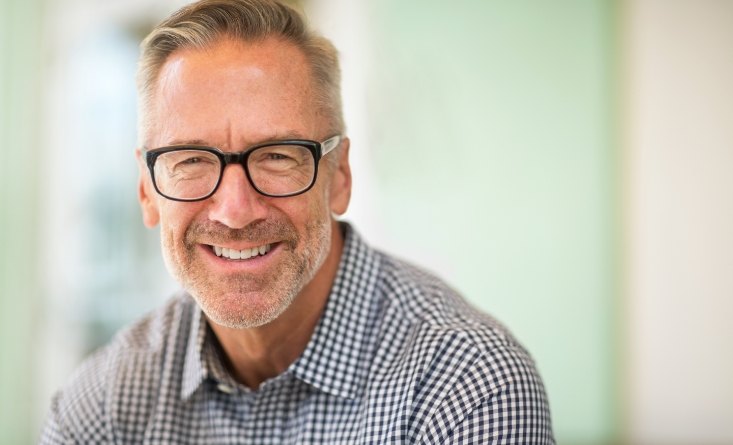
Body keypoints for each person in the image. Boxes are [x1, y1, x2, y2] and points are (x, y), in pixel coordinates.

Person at [40, 0, 554, 443]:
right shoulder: (105, 404)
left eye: (279, 156)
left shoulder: (468, 386)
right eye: (191, 160)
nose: (236, 210)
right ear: (147, 191)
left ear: (340, 177)